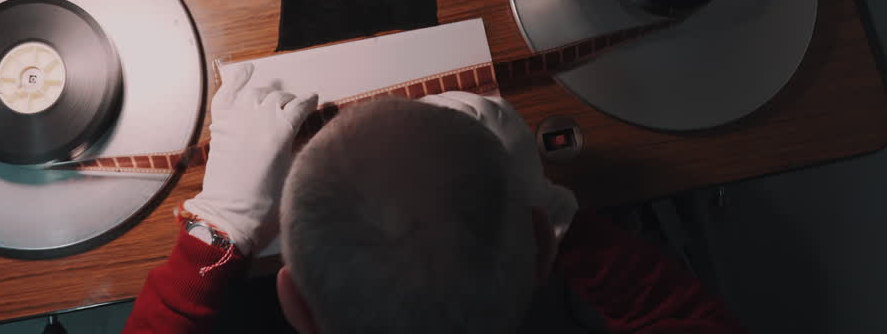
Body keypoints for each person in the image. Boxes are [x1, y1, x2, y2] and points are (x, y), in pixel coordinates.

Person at [124, 63, 748, 333]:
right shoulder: (541, 241)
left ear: (295, 304)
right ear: (537, 250)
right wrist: (557, 218)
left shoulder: (278, 293)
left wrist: (217, 233)